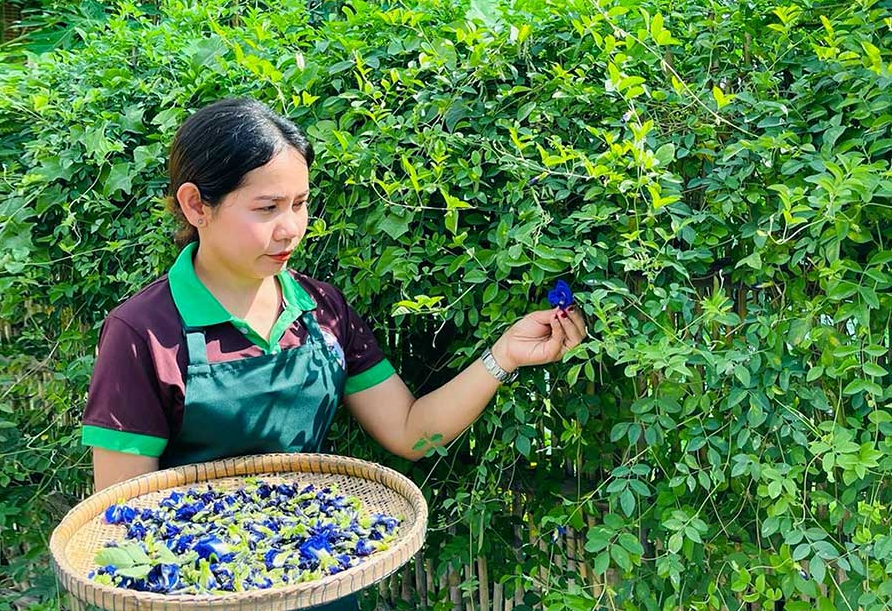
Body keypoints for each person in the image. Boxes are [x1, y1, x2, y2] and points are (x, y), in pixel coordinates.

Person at [80, 97, 587, 609]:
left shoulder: (321, 309)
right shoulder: (144, 332)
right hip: (200, 591)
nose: (291, 228)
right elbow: (129, 525)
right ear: (196, 205)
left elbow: (412, 432)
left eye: (300, 204)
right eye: (267, 208)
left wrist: (506, 355)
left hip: (317, 577)